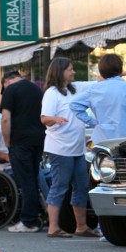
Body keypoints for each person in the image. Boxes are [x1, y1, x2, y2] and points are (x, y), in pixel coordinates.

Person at [40, 57, 99, 238]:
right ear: (60, 72)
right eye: (70, 69)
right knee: (60, 186)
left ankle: (81, 226)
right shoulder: (52, 93)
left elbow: (97, 84)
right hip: (60, 148)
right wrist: (55, 119)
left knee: (81, 186)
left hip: (77, 149)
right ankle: (53, 227)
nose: (73, 72)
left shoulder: (75, 89)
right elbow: (44, 119)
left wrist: (116, 77)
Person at [0, 70, 46, 233]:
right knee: (33, 179)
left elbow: (5, 118)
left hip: (20, 141)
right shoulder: (37, 90)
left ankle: (28, 221)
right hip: (38, 140)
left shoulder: (11, 90)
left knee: (25, 182)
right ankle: (35, 216)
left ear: (6, 81)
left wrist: (7, 142)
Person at [70, 53, 126, 143]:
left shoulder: (95, 89)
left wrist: (94, 123)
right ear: (121, 68)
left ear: (101, 70)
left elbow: (74, 105)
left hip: (102, 139)